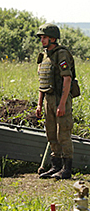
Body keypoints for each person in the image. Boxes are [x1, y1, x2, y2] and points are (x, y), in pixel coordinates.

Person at [36, 23, 75, 180]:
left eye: (44, 37)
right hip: (48, 100)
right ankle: (55, 166)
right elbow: (42, 83)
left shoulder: (62, 54)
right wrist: (39, 104)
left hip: (60, 98)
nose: (42, 40)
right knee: (51, 133)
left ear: (53, 38)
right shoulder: (45, 56)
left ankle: (67, 169)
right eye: (41, 38)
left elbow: (67, 79)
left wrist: (62, 103)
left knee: (63, 134)